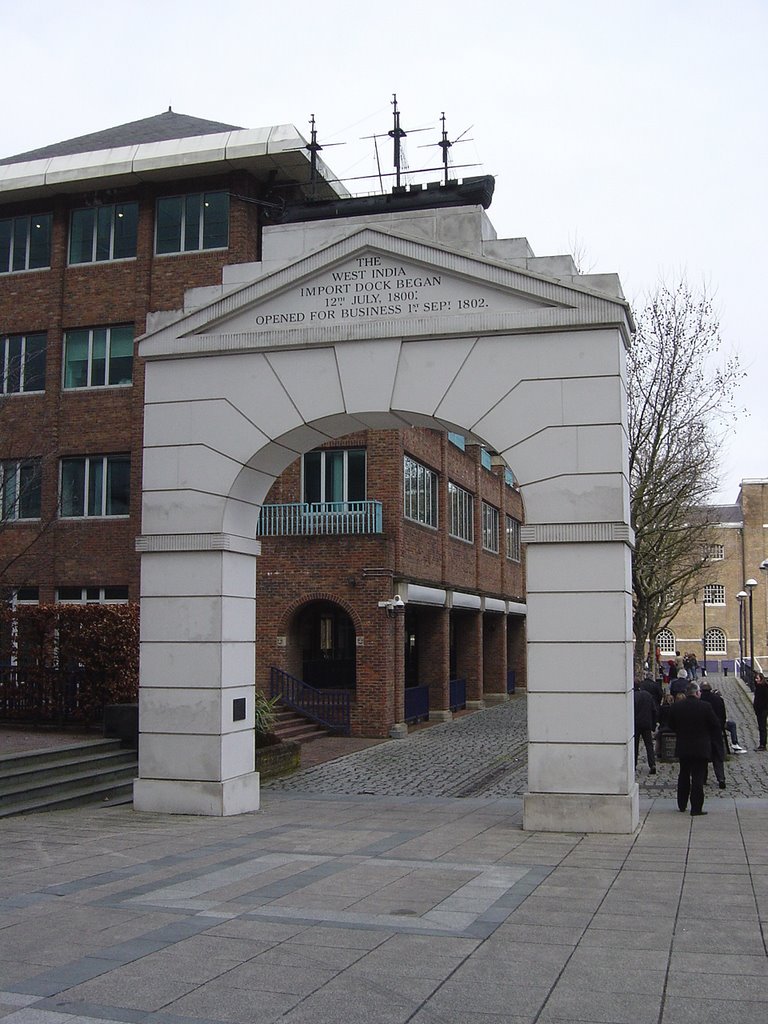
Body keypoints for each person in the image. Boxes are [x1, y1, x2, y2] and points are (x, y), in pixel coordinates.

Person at [667, 681, 722, 816]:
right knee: (698, 777)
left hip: (684, 746)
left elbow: (671, 725)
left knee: (684, 774)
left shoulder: (677, 707)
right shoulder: (705, 707)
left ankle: (681, 804)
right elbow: (715, 725)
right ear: (697, 693)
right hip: (701, 746)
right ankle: (696, 807)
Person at [698, 681, 727, 788]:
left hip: (704, 732)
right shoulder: (718, 699)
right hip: (716, 731)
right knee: (717, 757)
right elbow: (723, 715)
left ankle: (703, 779)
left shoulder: (700, 701)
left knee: (703, 758)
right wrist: (720, 727)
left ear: (701, 690)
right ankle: (721, 778)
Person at [634, 681, 658, 774]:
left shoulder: (633, 696)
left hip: (635, 724)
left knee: (635, 745)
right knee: (649, 745)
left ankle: (634, 764)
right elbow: (654, 710)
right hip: (647, 723)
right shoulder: (648, 695)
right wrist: (653, 724)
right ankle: (652, 764)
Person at [753, 672, 768, 751]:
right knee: (761, 727)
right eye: (755, 678)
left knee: (762, 727)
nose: (756, 680)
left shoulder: (763, 687)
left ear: (761, 679)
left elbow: (764, 700)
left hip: (762, 710)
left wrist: (760, 708)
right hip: (759, 710)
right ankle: (762, 743)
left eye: (757, 678)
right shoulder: (759, 687)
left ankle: (763, 744)